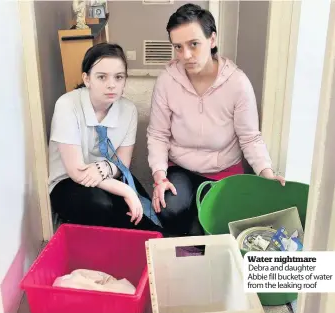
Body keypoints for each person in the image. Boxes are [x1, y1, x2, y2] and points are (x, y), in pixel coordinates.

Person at [147, 3, 285, 237]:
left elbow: (250, 137)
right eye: (178, 47)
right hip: (181, 166)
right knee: (168, 210)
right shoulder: (166, 81)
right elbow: (158, 134)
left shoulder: (237, 83)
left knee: (205, 232)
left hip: (223, 169)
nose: (185, 56)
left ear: (212, 40)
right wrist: (159, 176)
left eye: (193, 44)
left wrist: (266, 173)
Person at [48, 43, 162, 232]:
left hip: (107, 173)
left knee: (146, 215)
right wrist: (126, 191)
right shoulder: (67, 105)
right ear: (87, 78)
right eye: (101, 77)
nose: (111, 85)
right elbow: (77, 173)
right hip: (68, 181)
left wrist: (106, 168)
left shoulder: (128, 110)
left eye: (119, 77)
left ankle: (167, 245)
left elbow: (122, 165)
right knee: (102, 205)